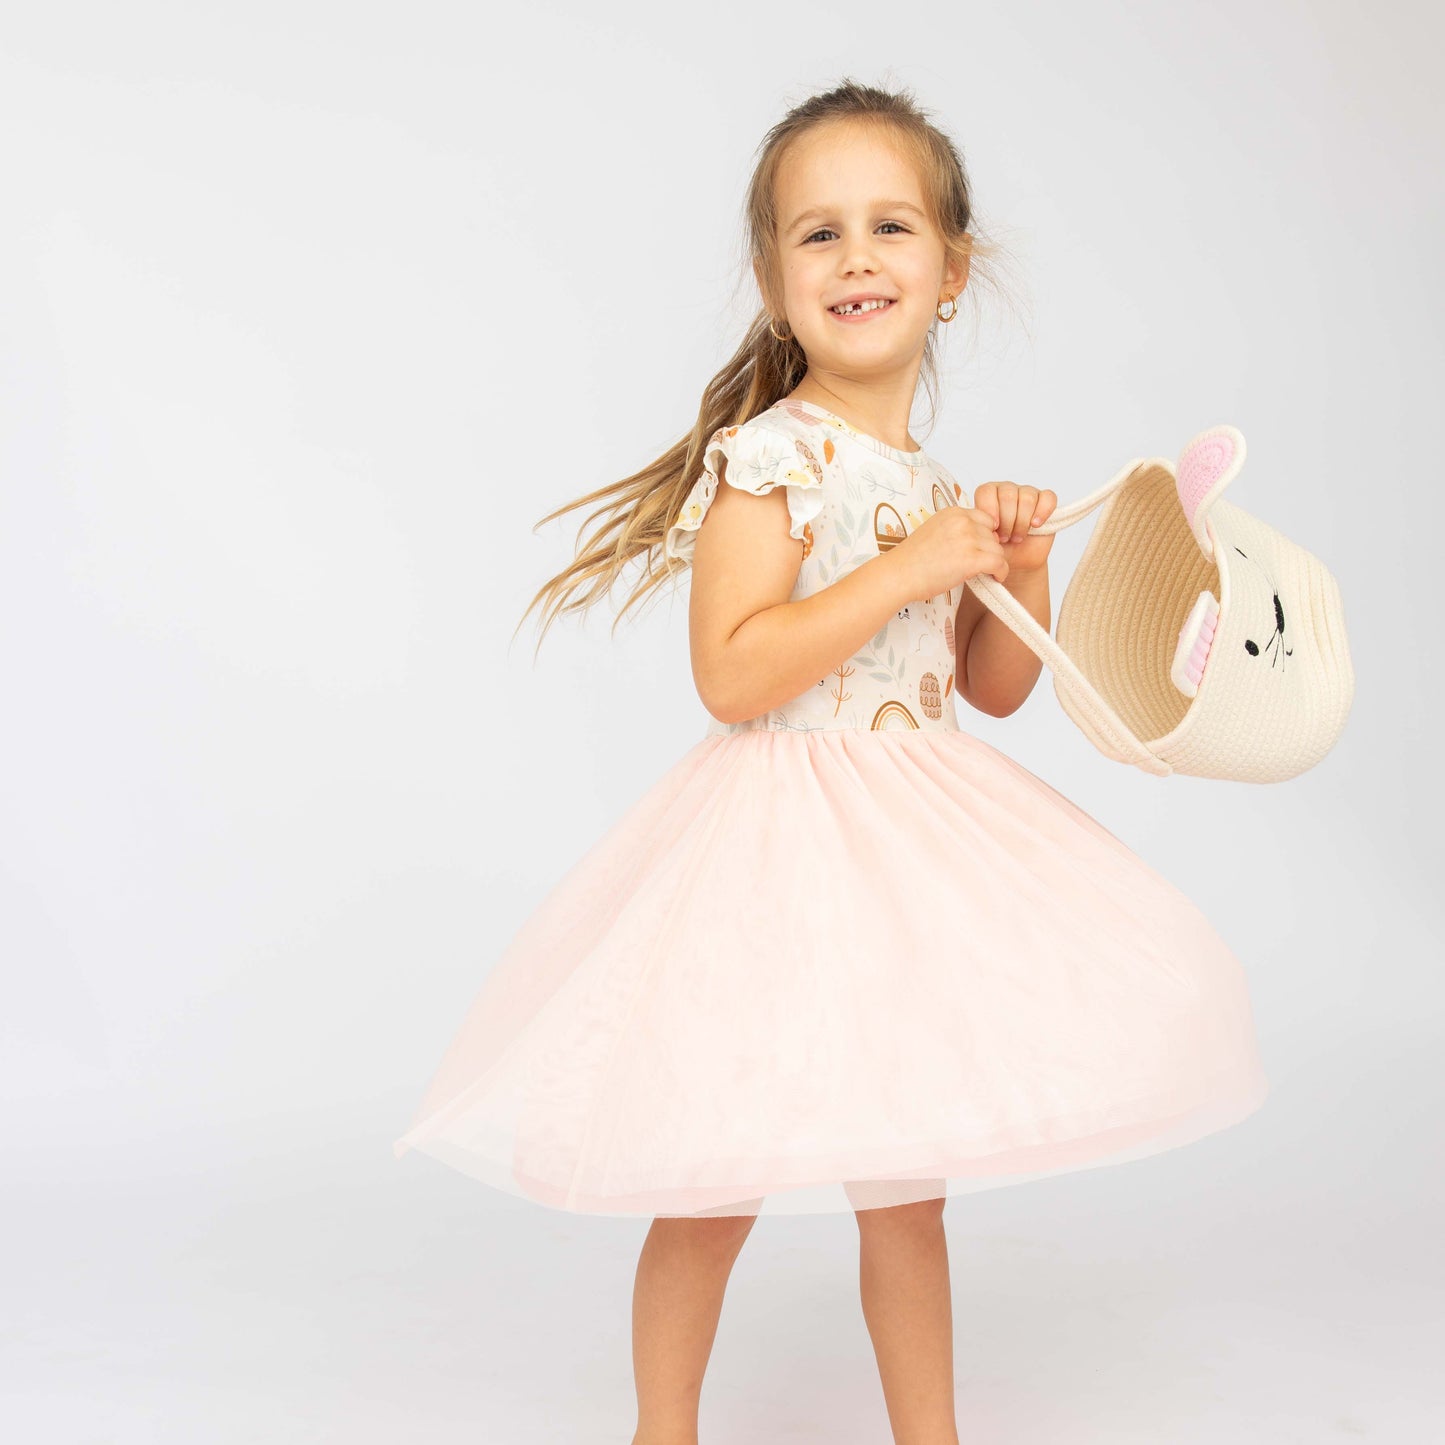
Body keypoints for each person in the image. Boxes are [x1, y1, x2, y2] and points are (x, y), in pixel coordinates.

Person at [394, 78, 1269, 1445]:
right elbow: (733, 670)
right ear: (770, 279)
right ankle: (659, 1431)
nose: (856, 258)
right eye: (818, 235)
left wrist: (1013, 573)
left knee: (902, 1183)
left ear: (950, 270)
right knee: (712, 1166)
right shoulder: (770, 460)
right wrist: (908, 566)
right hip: (771, 844)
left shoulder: (929, 475)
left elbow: (978, 690)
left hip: (905, 855)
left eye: (888, 227)